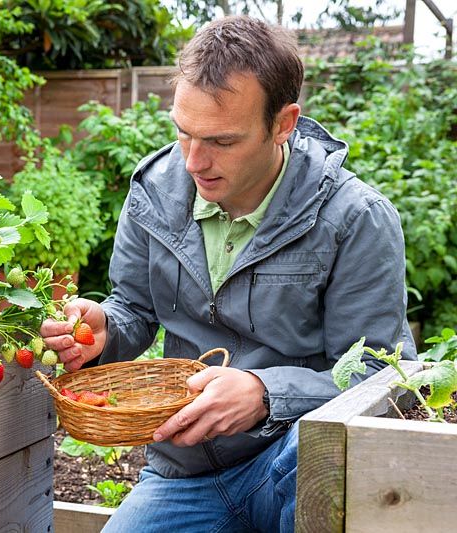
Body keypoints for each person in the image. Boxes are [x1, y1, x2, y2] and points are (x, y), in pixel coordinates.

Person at [40, 15, 415, 533]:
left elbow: (380, 373)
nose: (194, 161)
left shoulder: (354, 218)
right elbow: (133, 309)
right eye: (183, 133)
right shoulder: (155, 190)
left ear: (283, 124)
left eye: (221, 141)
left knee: (314, 458)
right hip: (183, 472)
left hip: (292, 464)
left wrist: (265, 394)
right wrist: (103, 328)